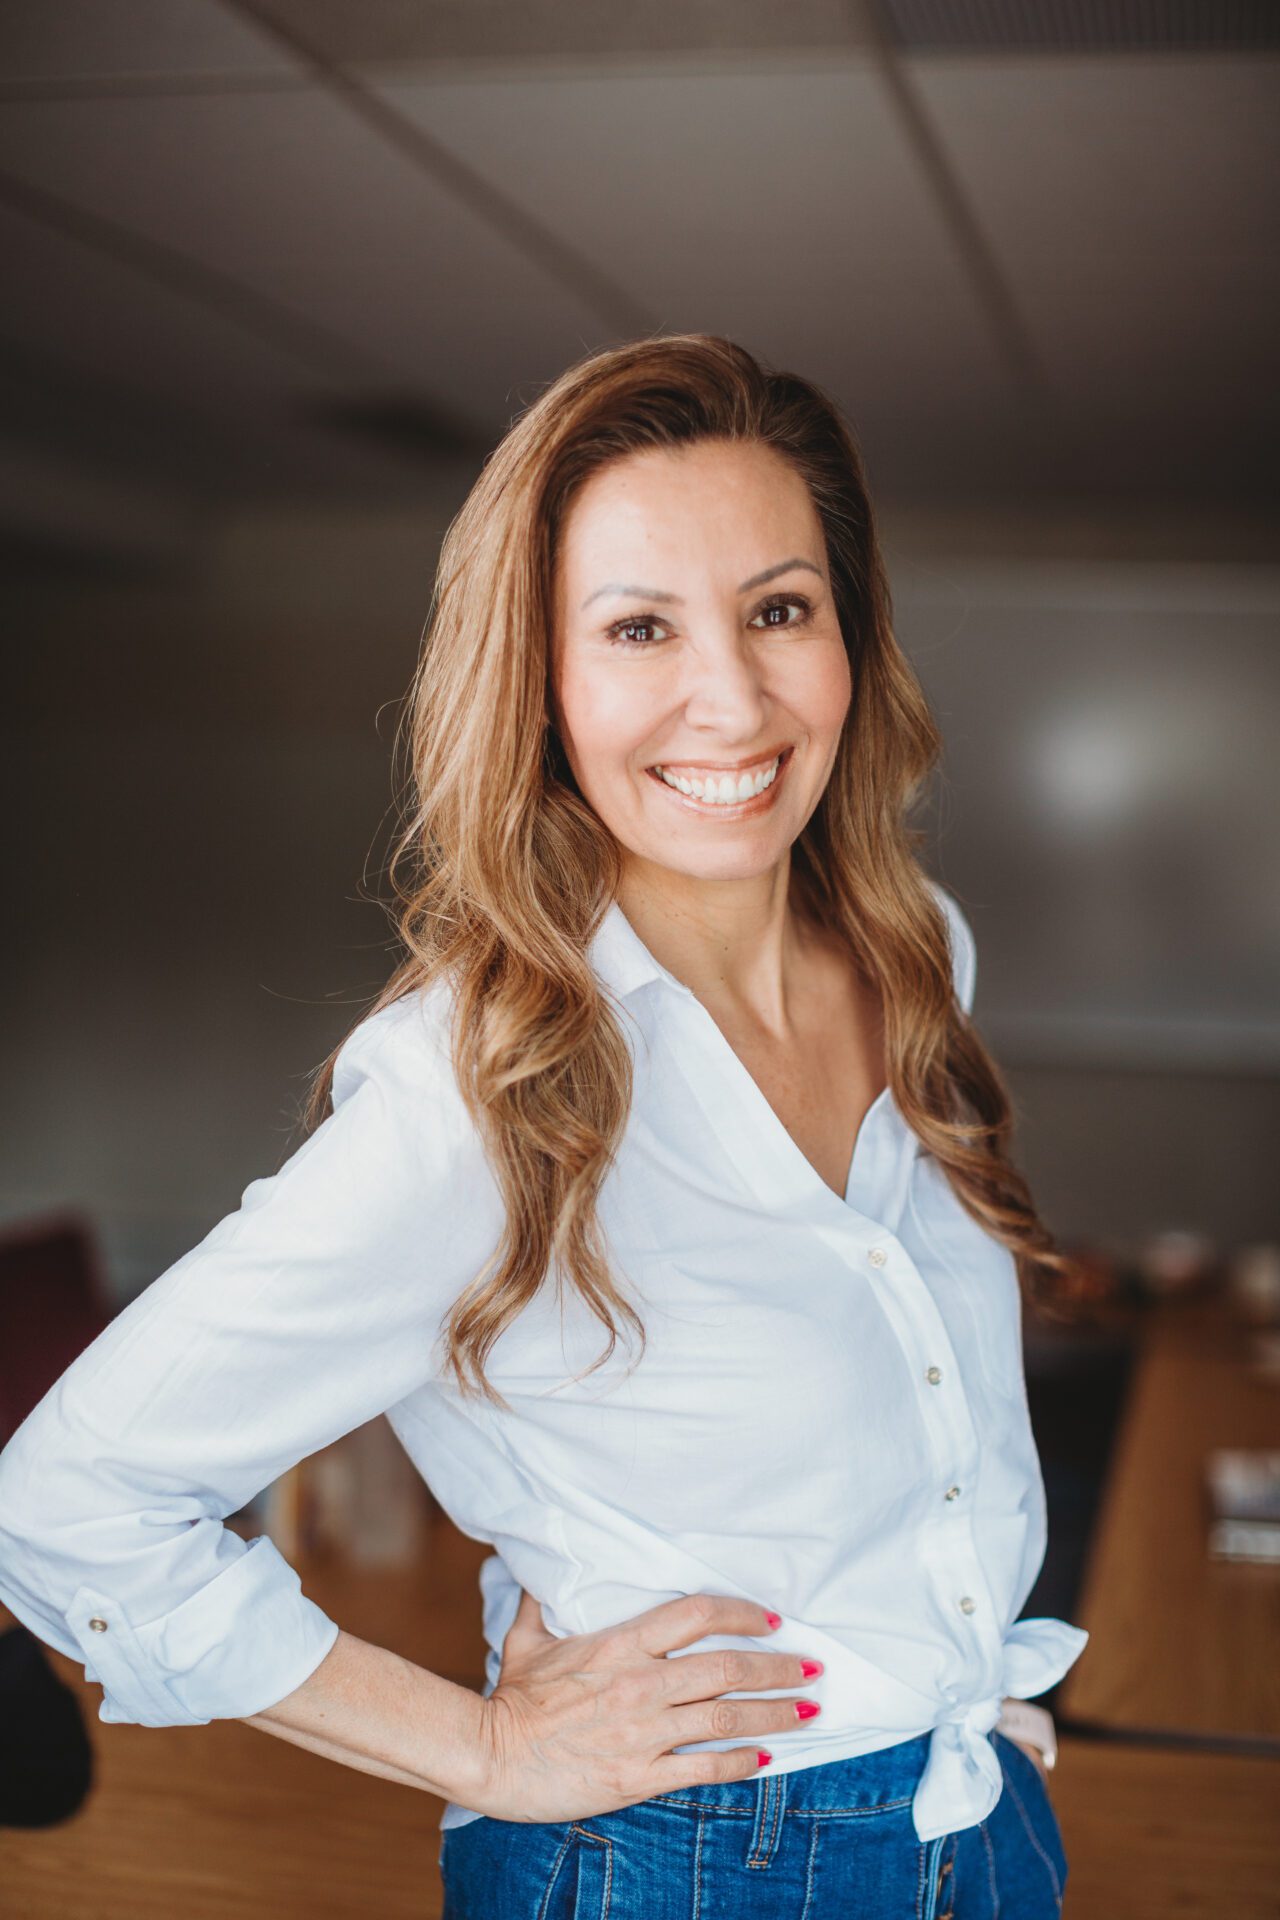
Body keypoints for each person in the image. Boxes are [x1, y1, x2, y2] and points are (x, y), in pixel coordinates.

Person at [0, 334, 1087, 1917]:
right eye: (639, 627)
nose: (732, 695)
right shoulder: (481, 1085)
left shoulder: (916, 946)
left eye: (779, 609)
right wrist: (490, 1753)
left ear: (851, 636)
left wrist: (939, 1667)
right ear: (541, 682)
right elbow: (69, 1502)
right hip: (683, 1863)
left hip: (966, 1804)